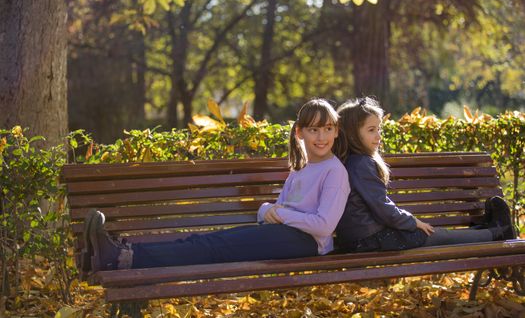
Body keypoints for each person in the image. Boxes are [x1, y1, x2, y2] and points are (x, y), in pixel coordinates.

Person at [82, 98, 350, 273]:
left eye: (327, 129)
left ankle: (122, 258)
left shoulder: (334, 172)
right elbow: (278, 209)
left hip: (306, 244)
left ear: (336, 131)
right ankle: (123, 255)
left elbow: (324, 225)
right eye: (314, 130)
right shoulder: (301, 168)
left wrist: (279, 214)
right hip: (285, 235)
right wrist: (266, 209)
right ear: (300, 133)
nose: (321, 136)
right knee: (206, 241)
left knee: (213, 246)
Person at [334, 97, 516, 253]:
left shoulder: (351, 161)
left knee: (433, 234)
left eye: (379, 129)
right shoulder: (360, 164)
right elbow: (382, 208)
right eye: (371, 130)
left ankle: (485, 230)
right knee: (431, 234)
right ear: (352, 134)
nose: (379, 136)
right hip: (370, 240)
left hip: (361, 238)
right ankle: (497, 232)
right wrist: (412, 222)